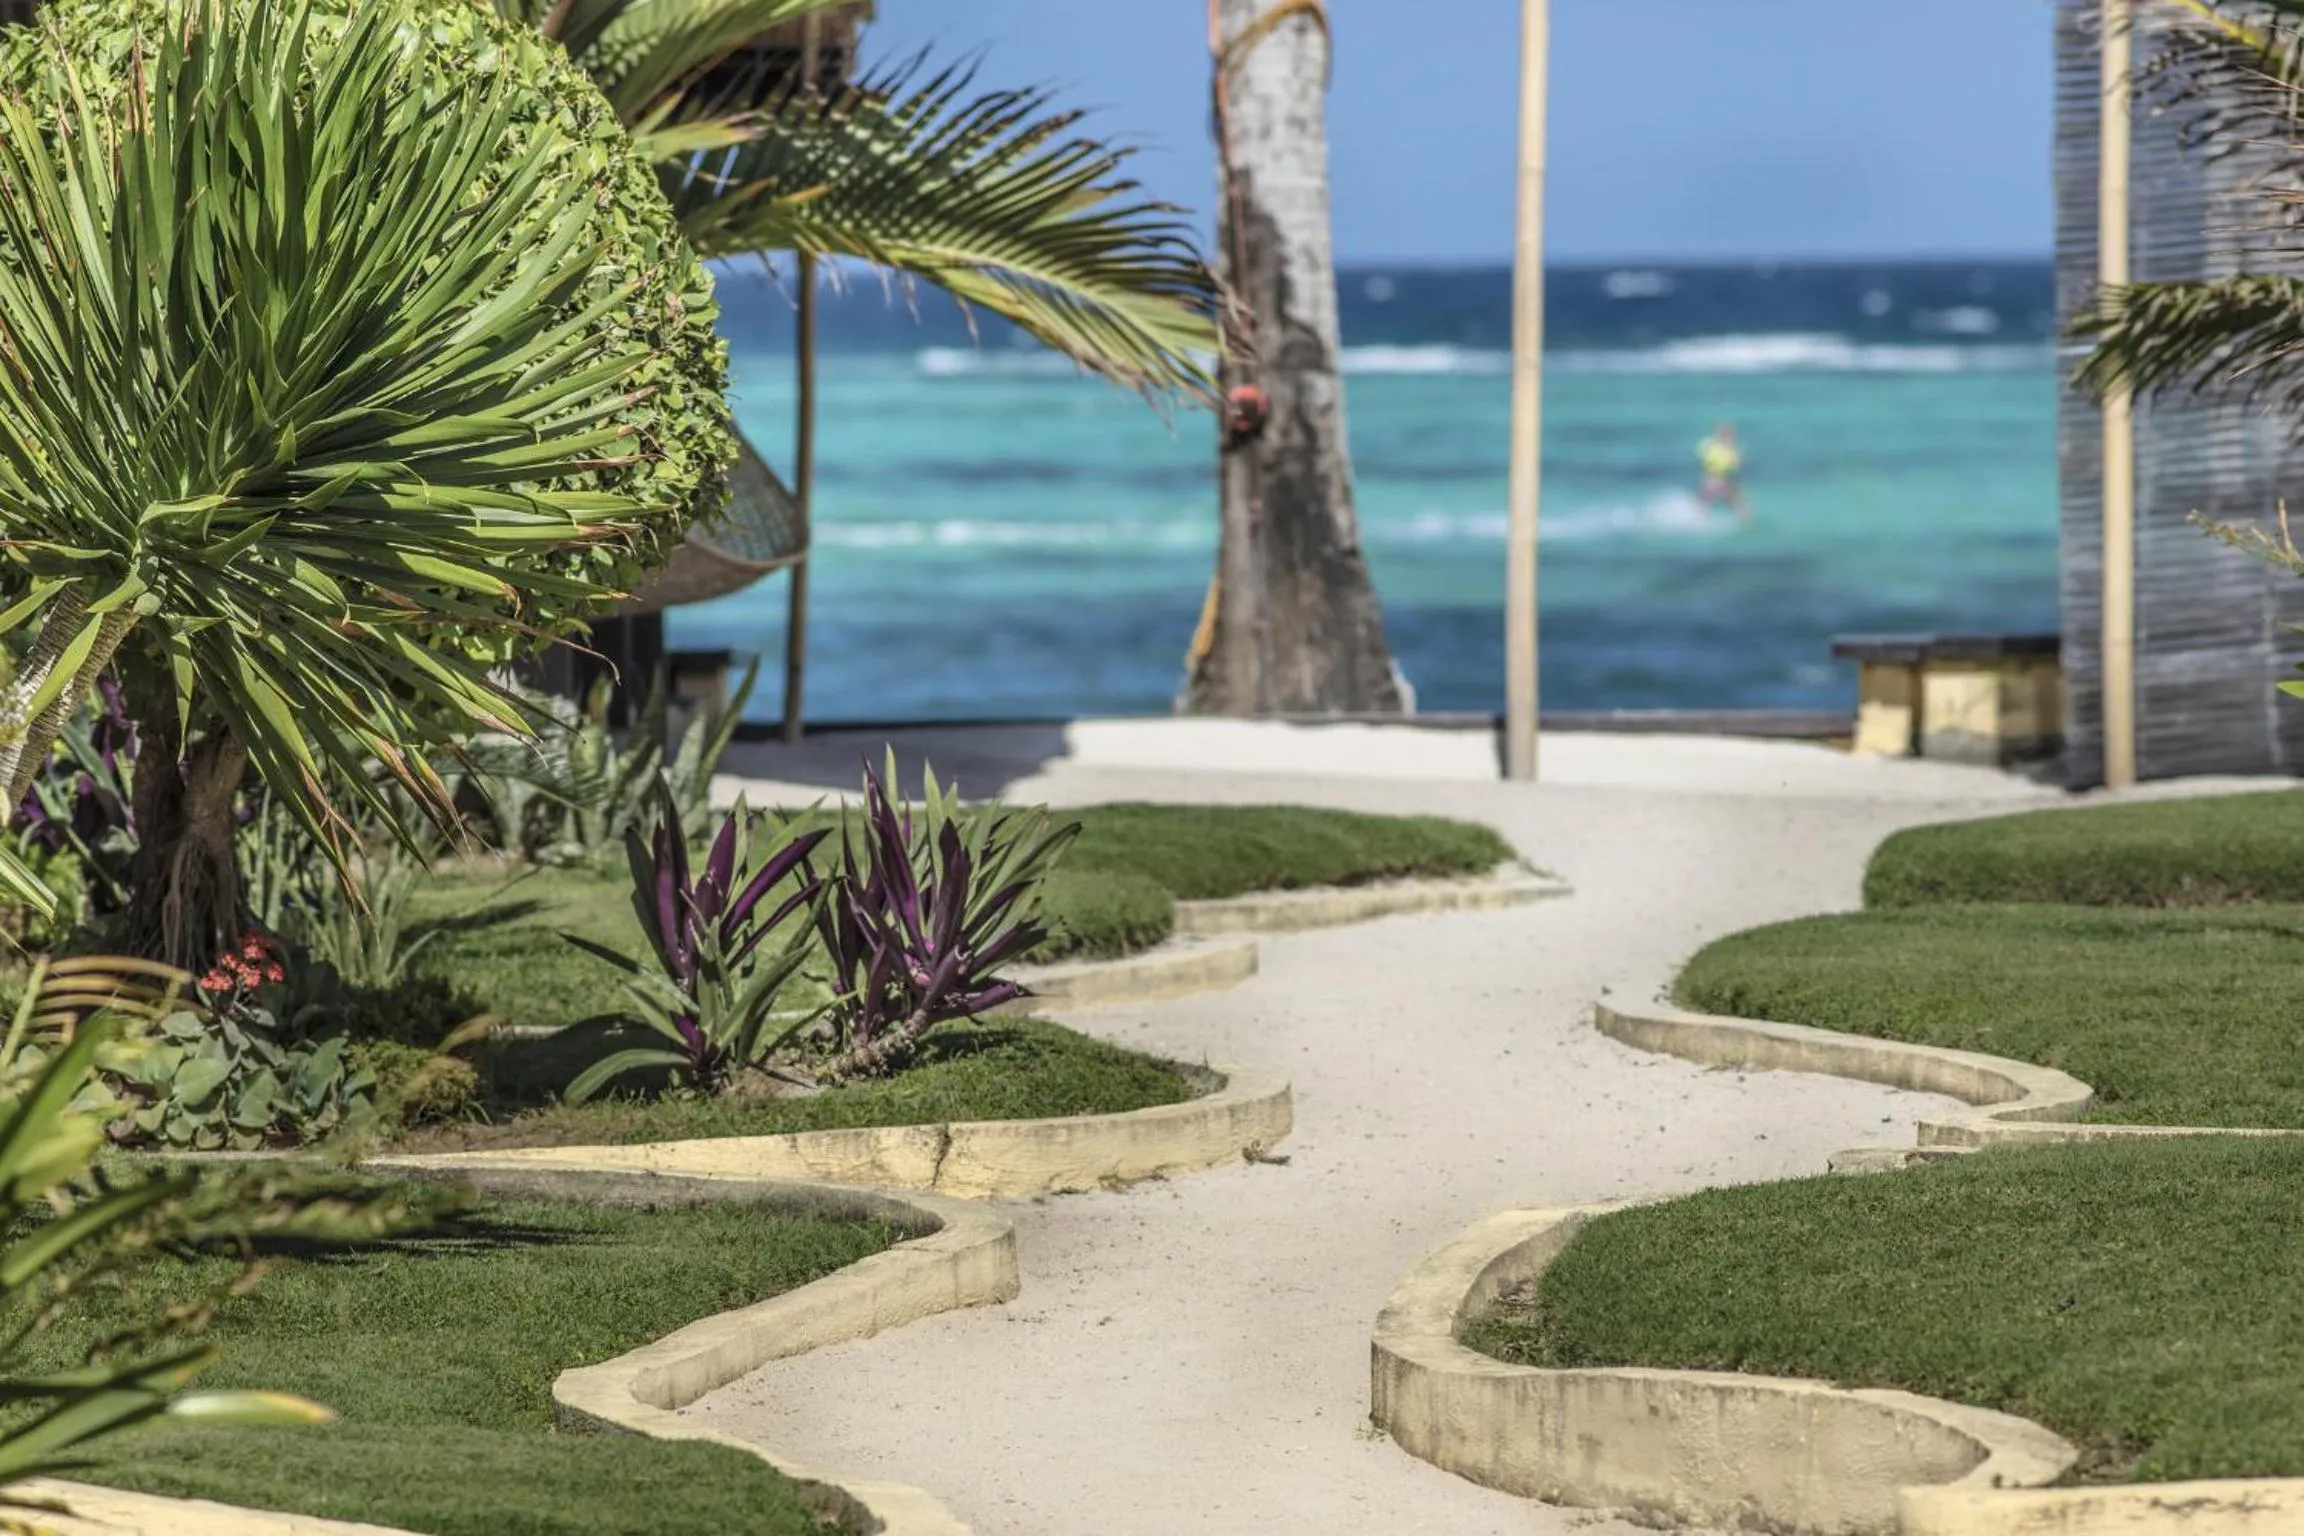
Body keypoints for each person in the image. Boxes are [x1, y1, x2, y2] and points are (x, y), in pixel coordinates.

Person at [1697, 423, 1751, 522]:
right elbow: (1735, 464)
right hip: (1722, 479)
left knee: (1704, 503)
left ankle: (1698, 519)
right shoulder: (1729, 450)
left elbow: (1703, 456)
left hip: (1708, 478)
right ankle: (1746, 520)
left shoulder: (1708, 445)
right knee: (1738, 502)